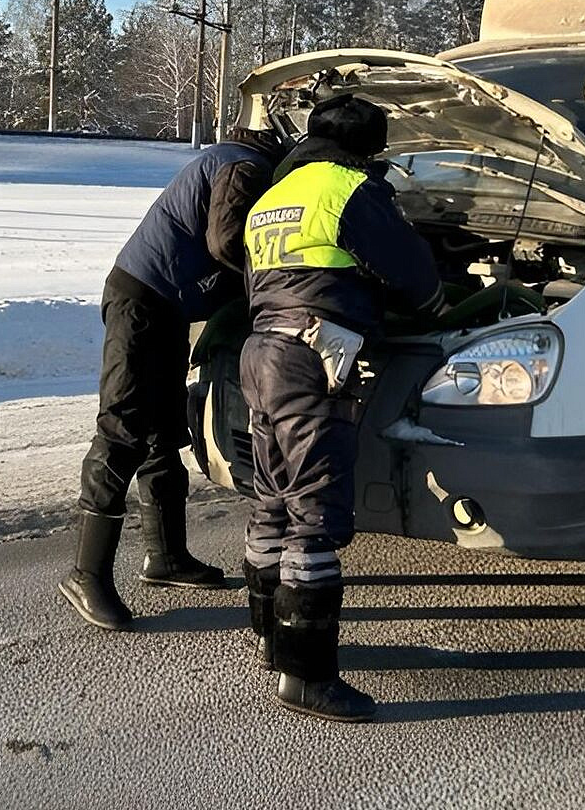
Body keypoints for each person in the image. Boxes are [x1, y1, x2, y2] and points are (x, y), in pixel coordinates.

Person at [239, 94, 442, 722]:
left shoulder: (274, 197)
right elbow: (413, 276)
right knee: (316, 517)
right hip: (312, 356)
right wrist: (431, 305)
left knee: (274, 500)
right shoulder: (350, 189)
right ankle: (308, 678)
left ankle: (274, 642)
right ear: (367, 149)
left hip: (260, 351)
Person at [60, 125, 288, 631]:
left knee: (162, 430)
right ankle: (85, 574)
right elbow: (227, 241)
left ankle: (166, 558)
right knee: (121, 431)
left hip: (165, 306)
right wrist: (269, 283)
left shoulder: (233, 159)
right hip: (141, 301)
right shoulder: (245, 167)